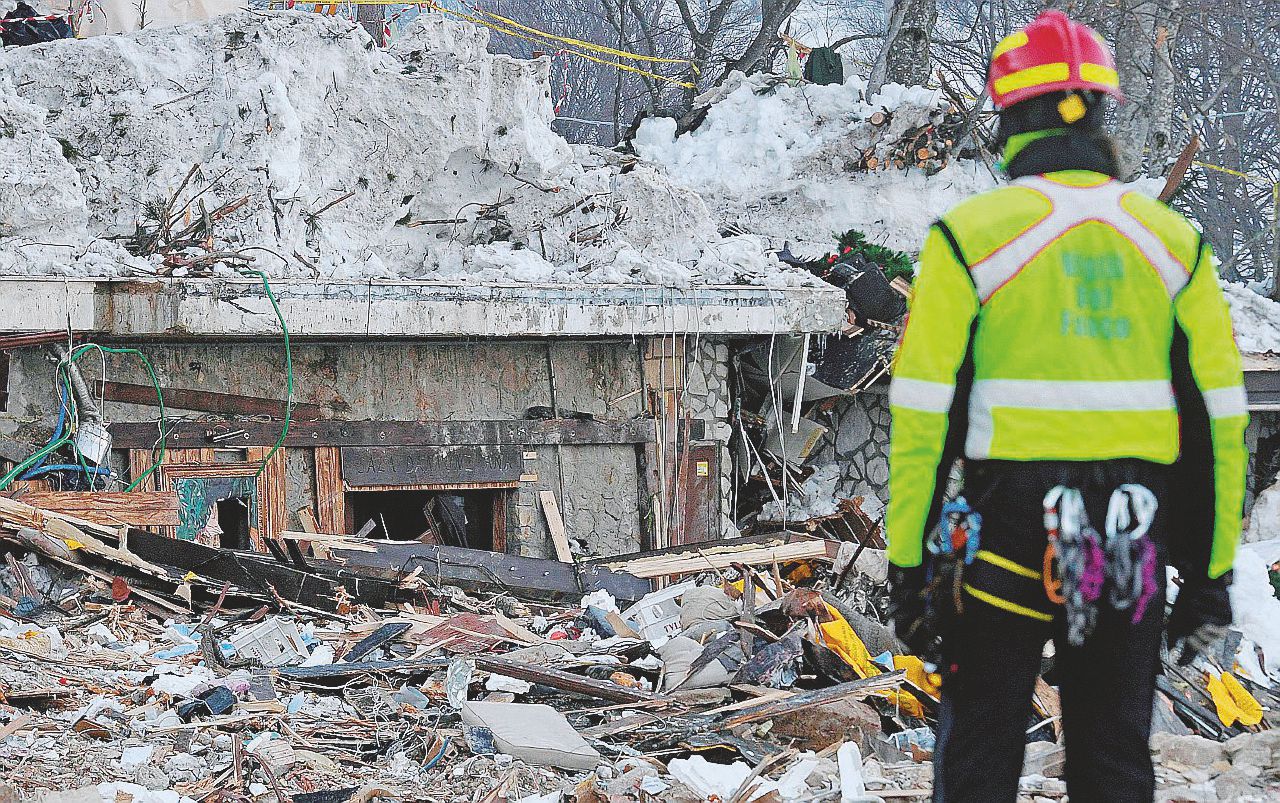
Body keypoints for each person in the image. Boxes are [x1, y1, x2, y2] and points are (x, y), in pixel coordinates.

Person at [884, 10, 1247, 803]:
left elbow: (920, 415)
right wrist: (1211, 573)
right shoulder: (1173, 244)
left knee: (979, 755)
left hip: (1005, 539)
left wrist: (907, 562)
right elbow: (1219, 421)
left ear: (1011, 118)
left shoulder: (968, 237)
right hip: (1130, 541)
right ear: (1104, 114)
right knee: (1114, 761)